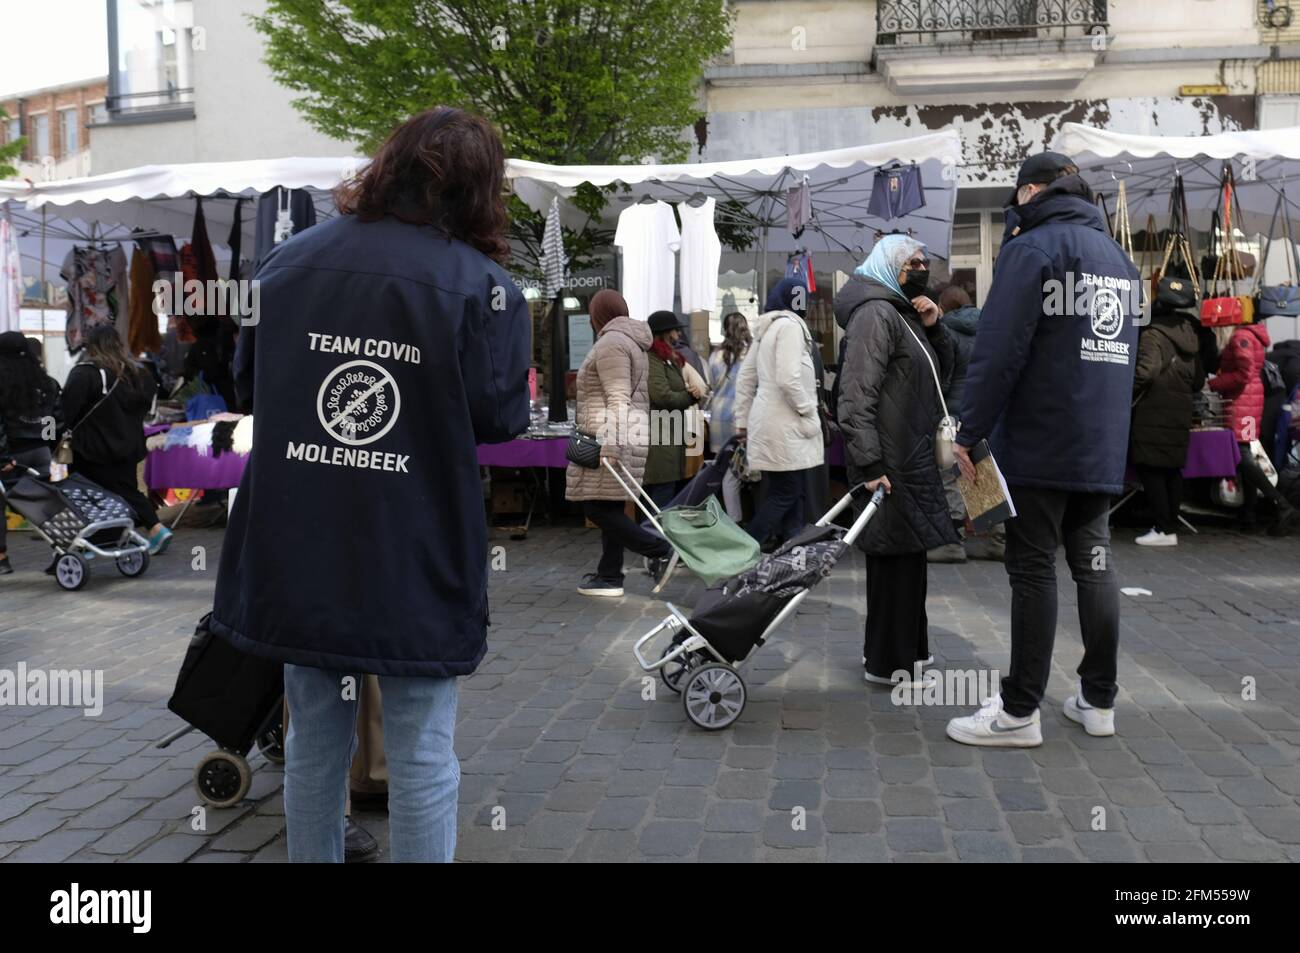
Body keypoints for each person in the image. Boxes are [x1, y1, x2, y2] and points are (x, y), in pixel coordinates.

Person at [210, 107, 532, 862]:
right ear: (479, 190)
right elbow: (502, 418)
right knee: (421, 745)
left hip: (300, 538)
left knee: (313, 736)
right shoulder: (481, 286)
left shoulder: (286, 265)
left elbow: (251, 383)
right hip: (411, 544)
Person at [945, 152, 1139, 747]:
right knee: (1094, 565)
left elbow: (998, 350)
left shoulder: (1032, 250)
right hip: (1099, 444)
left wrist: (968, 433)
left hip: (1040, 439)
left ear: (1030, 192)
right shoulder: (1120, 262)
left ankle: (1018, 710)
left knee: (1032, 568)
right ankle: (1098, 700)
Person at [835, 235, 956, 687]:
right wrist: (869, 465)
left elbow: (945, 373)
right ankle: (889, 662)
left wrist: (935, 327)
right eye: (913, 262)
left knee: (910, 558)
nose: (923, 268)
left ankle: (911, 652)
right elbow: (854, 397)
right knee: (892, 562)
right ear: (889, 266)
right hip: (889, 461)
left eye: (925, 261)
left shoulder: (903, 314)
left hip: (911, 455)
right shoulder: (875, 314)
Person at [567, 289, 672, 597]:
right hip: (627, 434)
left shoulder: (612, 343)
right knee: (608, 505)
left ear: (599, 313)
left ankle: (659, 550)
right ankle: (609, 574)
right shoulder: (629, 342)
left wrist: (611, 445)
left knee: (598, 510)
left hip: (610, 437)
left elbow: (617, 397)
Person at [61, 325, 172, 556]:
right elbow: (147, 406)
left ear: (91, 346)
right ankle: (137, 532)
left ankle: (110, 538)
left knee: (92, 495)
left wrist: (51, 437)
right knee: (126, 490)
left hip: (93, 449)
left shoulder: (85, 373)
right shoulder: (139, 373)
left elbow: (65, 412)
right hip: (129, 445)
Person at [734, 277, 824, 550]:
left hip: (768, 421)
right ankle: (746, 546)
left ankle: (792, 545)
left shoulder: (768, 328)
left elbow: (745, 379)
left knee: (786, 489)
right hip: (786, 423)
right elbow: (788, 379)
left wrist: (742, 422)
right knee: (787, 492)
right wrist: (809, 411)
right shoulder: (791, 327)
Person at [1210, 322, 1300, 535]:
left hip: (1243, 404)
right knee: (1246, 455)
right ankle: (1249, 515)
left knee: (1243, 456)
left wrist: (1215, 383)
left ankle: (1281, 504)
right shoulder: (1253, 336)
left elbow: (1244, 372)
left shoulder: (1241, 336)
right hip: (1249, 402)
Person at [1130, 305, 1205, 546]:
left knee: (1151, 469)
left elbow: (1146, 372)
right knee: (1172, 470)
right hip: (1180, 412)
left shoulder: (1152, 335)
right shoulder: (1191, 337)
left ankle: (1162, 528)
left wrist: (1127, 391)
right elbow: (1199, 380)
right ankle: (1169, 526)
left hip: (1153, 411)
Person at [0, 332, 63, 575]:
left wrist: (3, 457)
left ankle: (2, 558)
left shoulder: (3, 382)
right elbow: (56, 421)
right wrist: (47, 446)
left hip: (13, 455)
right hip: (41, 452)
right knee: (47, 504)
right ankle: (62, 550)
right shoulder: (46, 382)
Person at [644, 310, 703, 507]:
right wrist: (689, 395)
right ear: (663, 333)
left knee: (667, 500)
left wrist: (689, 392)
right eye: (675, 331)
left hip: (670, 438)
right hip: (660, 441)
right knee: (661, 505)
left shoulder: (667, 358)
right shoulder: (653, 359)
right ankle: (655, 538)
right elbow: (662, 396)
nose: (678, 336)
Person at [707, 311, 751, 521]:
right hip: (742, 419)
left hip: (718, 419)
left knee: (726, 472)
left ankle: (728, 517)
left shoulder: (715, 355)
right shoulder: (750, 353)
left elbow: (712, 385)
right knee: (740, 474)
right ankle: (737, 520)